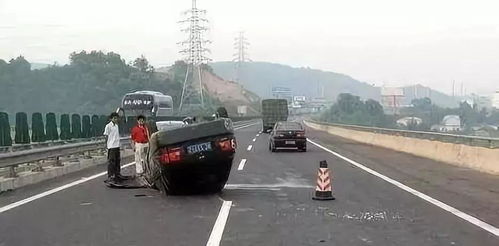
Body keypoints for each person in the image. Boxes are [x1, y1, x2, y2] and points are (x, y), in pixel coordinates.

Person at [103, 112, 122, 183]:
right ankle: (111, 175)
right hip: (111, 146)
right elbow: (106, 136)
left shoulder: (116, 126)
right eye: (114, 118)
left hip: (117, 145)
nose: (116, 119)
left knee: (118, 161)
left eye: (116, 118)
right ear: (111, 118)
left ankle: (117, 174)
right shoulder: (108, 126)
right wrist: (106, 145)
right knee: (111, 162)